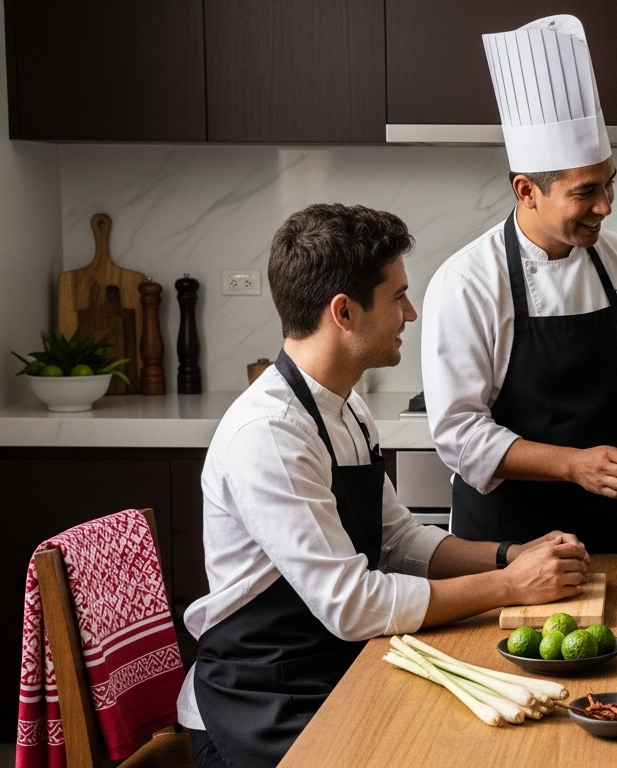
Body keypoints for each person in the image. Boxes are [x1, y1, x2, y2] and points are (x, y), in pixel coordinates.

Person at [179, 204, 591, 768]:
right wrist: (509, 585)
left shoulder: (346, 407)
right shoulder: (270, 434)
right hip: (264, 705)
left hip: (335, 673)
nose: (411, 312)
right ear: (343, 312)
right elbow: (352, 606)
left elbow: (397, 542)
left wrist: (510, 554)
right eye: (397, 296)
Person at [422, 15, 617, 553]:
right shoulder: (467, 281)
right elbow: (459, 433)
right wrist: (574, 464)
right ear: (527, 190)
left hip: (613, 530)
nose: (605, 205)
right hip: (508, 544)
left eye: (609, 184)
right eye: (585, 192)